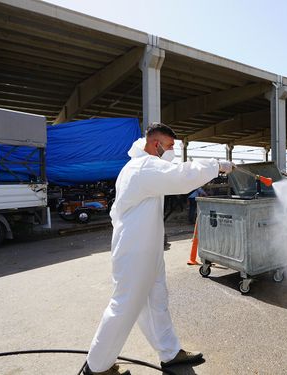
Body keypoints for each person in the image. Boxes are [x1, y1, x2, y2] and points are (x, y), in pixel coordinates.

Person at [83, 122, 234, 375]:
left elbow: (116, 210)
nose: (172, 151)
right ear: (155, 144)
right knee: (125, 305)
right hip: (134, 250)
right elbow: (181, 177)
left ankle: (170, 352)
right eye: (170, 146)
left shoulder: (141, 167)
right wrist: (216, 165)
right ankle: (97, 367)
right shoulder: (144, 167)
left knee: (156, 301)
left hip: (147, 247)